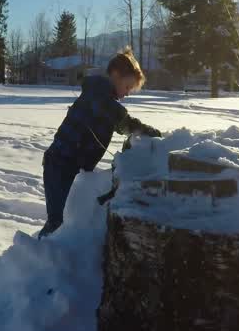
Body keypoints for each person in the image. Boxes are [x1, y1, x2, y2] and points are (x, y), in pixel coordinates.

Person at [39, 47, 161, 238]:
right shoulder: (97, 94)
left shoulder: (103, 98)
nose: (127, 93)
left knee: (72, 221)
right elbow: (120, 119)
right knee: (58, 223)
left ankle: (57, 250)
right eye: (127, 87)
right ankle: (38, 253)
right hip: (59, 166)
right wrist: (147, 132)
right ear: (116, 75)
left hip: (74, 167)